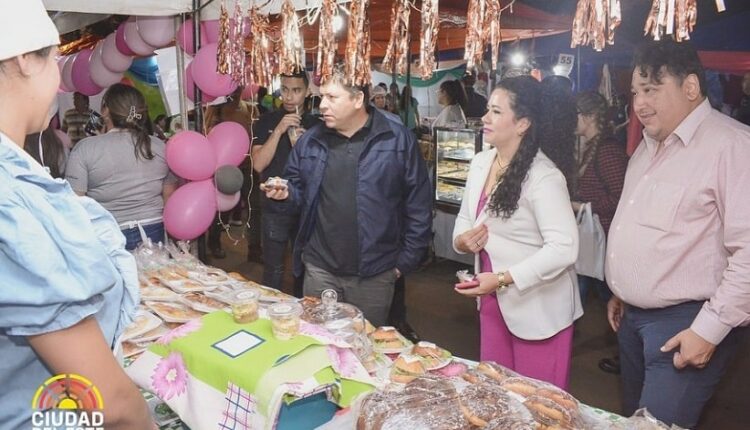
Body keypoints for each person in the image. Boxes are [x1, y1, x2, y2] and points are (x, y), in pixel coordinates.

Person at [0, 1, 153, 428]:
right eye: (55, 60)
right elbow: (111, 402)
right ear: (25, 61)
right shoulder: (12, 199)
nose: (59, 78)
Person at [606, 39, 750, 428]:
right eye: (635, 92)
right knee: (631, 420)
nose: (639, 103)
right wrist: (624, 289)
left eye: (652, 90)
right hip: (633, 320)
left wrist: (709, 330)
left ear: (690, 87)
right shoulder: (647, 147)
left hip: (686, 321)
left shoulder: (732, 146)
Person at [263, 66, 432, 327]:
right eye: (321, 97)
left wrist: (403, 263)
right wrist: (285, 193)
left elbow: (418, 205)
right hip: (320, 270)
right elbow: (297, 189)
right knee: (317, 343)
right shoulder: (311, 141)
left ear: (357, 99)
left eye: (332, 97)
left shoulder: (396, 140)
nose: (322, 105)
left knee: (363, 349)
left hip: (375, 274)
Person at [452, 75, 581, 390]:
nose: (485, 118)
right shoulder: (481, 162)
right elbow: (465, 217)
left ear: (522, 123)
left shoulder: (543, 176)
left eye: (496, 111)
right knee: (496, 396)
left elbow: (564, 248)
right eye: (487, 109)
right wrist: (461, 241)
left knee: (535, 406)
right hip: (493, 302)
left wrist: (501, 279)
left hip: (538, 308)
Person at [66, 83, 179, 250]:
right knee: (153, 277)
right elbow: (169, 197)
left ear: (105, 111)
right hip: (154, 232)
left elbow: (75, 205)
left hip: (108, 234)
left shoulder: (85, 148)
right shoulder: (160, 146)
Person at [252, 70, 319, 297]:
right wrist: (279, 131)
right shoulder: (266, 121)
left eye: (297, 90)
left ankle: (303, 316)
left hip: (308, 205)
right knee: (273, 267)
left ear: (308, 92)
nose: (289, 97)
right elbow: (259, 164)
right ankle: (270, 313)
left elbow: (322, 170)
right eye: (286, 89)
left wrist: (305, 146)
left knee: (306, 267)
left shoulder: (318, 124)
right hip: (275, 205)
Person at [572, 91, 628, 304]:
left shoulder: (607, 151)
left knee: (603, 292)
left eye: (575, 114)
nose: (572, 120)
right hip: (594, 237)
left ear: (590, 116)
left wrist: (582, 206)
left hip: (603, 238)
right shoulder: (594, 149)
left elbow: (620, 198)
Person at [205, 86, 259, 258]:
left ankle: (255, 248)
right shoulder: (216, 108)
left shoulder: (250, 108)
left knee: (254, 207)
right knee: (222, 210)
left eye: (238, 88)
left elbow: (255, 135)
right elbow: (206, 132)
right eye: (233, 88)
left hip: (247, 166)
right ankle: (214, 242)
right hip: (224, 168)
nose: (236, 92)